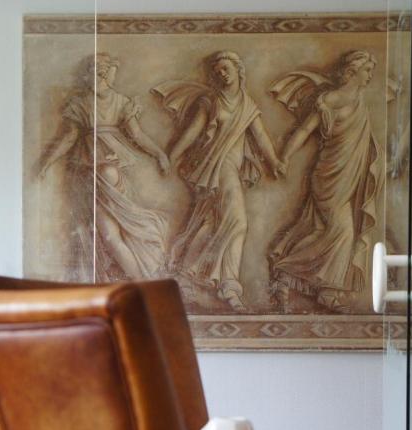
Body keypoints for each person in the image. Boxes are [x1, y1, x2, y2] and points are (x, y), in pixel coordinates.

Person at [152, 50, 282, 312]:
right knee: (238, 222)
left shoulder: (247, 105)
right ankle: (229, 286)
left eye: (226, 69)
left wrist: (275, 162)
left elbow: (261, 137)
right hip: (216, 167)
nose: (222, 74)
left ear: (238, 71)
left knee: (210, 222)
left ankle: (187, 275)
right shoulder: (210, 102)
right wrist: (171, 156)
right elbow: (192, 132)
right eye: (218, 71)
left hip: (231, 166)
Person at [38, 53, 170, 281]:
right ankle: (139, 283)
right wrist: (47, 162)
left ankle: (141, 283)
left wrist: (159, 153)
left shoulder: (121, 102)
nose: (99, 78)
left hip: (106, 171)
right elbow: (68, 138)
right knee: (105, 234)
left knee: (110, 236)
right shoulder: (81, 104)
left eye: (102, 73)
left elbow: (137, 135)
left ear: (108, 75)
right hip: (91, 171)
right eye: (95, 73)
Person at [267, 50, 381, 313]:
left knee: (322, 230)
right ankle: (290, 271)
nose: (370, 76)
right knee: (343, 230)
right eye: (366, 70)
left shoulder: (361, 100)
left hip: (351, 174)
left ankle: (311, 285)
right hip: (330, 175)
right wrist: (284, 157)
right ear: (351, 72)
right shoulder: (328, 100)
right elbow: (305, 130)